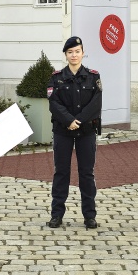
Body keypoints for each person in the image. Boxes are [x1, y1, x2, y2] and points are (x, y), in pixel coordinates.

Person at [47, 37, 102, 230]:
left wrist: (78, 121)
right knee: (61, 173)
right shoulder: (56, 77)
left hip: (86, 132)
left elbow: (96, 103)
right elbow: (53, 103)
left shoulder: (93, 76)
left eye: (77, 51)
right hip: (63, 131)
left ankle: (89, 216)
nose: (74, 55)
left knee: (86, 174)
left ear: (83, 52)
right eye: (70, 52)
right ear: (66, 55)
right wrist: (69, 120)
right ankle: (56, 215)